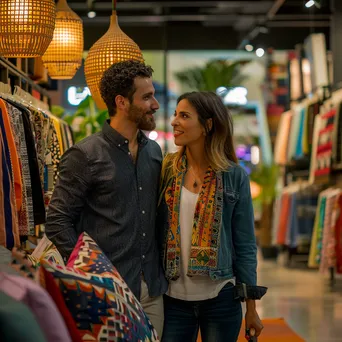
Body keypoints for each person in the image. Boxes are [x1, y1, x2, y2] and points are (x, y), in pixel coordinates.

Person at [45, 60, 168, 337]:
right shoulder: (86, 155)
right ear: (122, 102)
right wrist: (89, 271)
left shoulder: (154, 153)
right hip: (106, 292)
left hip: (151, 290)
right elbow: (57, 220)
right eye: (147, 97)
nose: (155, 105)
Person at [158, 91, 264, 342]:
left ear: (207, 125)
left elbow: (246, 245)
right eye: (175, 115)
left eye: (184, 116)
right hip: (172, 300)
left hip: (221, 298)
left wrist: (251, 309)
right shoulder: (166, 170)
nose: (174, 122)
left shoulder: (234, 176)